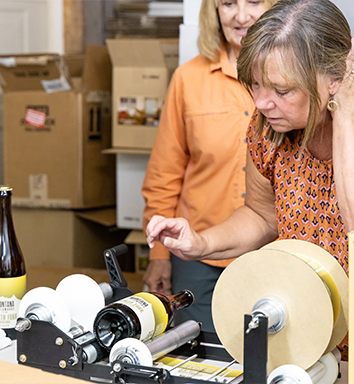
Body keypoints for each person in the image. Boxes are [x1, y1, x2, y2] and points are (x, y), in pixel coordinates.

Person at [146, 0, 354, 359]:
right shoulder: (270, 122)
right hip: (310, 324)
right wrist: (202, 242)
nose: (262, 103)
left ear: (339, 77)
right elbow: (260, 215)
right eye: (254, 85)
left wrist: (347, 121)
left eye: (282, 91)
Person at [141, 0, 276, 333]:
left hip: (273, 253)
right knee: (195, 358)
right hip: (198, 257)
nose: (241, 15)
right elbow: (164, 173)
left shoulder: (291, 78)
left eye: (254, 2)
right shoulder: (188, 79)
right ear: (213, 11)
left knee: (266, 358)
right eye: (228, 3)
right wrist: (159, 255)